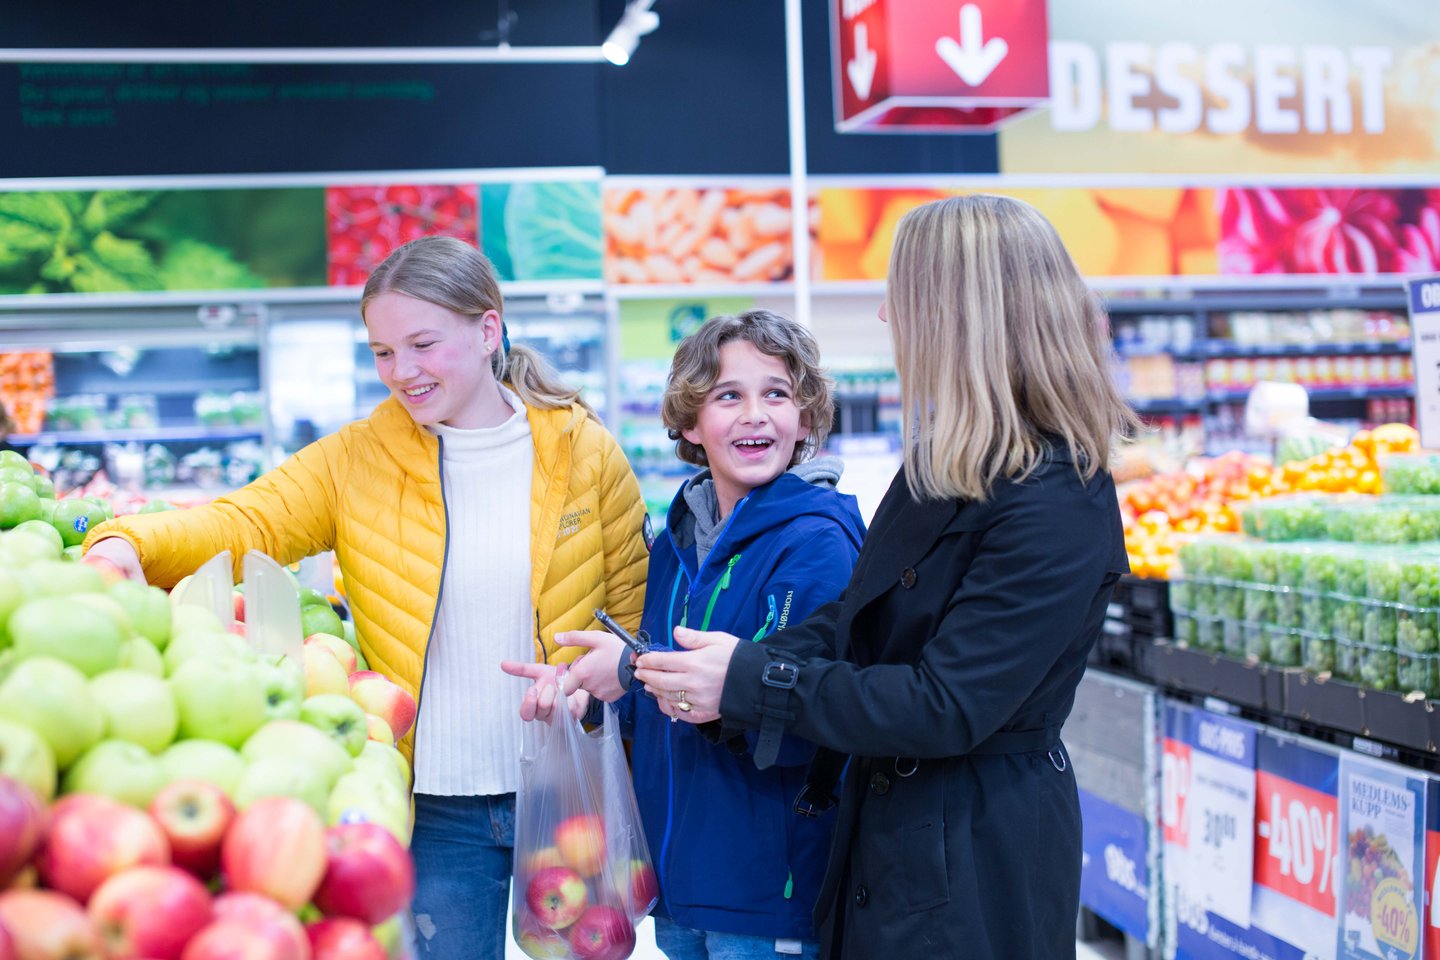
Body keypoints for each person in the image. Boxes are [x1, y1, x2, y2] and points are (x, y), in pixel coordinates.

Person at [81, 235, 650, 960]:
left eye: (422, 344)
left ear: (487, 330)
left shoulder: (584, 450)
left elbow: (631, 610)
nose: (401, 372)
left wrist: (594, 681)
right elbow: (247, 519)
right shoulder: (356, 458)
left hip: (567, 788)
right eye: (382, 351)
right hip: (433, 806)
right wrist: (130, 541)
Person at [623, 195, 1139, 959]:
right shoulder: (944, 465)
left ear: (961, 315)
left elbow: (948, 704)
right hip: (888, 839)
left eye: (902, 299)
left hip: (975, 857)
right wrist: (715, 669)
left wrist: (751, 680)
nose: (886, 320)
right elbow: (854, 624)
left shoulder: (1057, 496)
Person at [504, 310, 865, 960]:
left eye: (776, 394)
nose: (754, 414)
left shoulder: (817, 543)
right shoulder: (676, 541)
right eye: (729, 396)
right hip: (679, 889)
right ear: (690, 423)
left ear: (806, 419)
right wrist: (595, 692)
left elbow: (793, 719)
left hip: (768, 894)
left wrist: (635, 667)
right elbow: (660, 702)